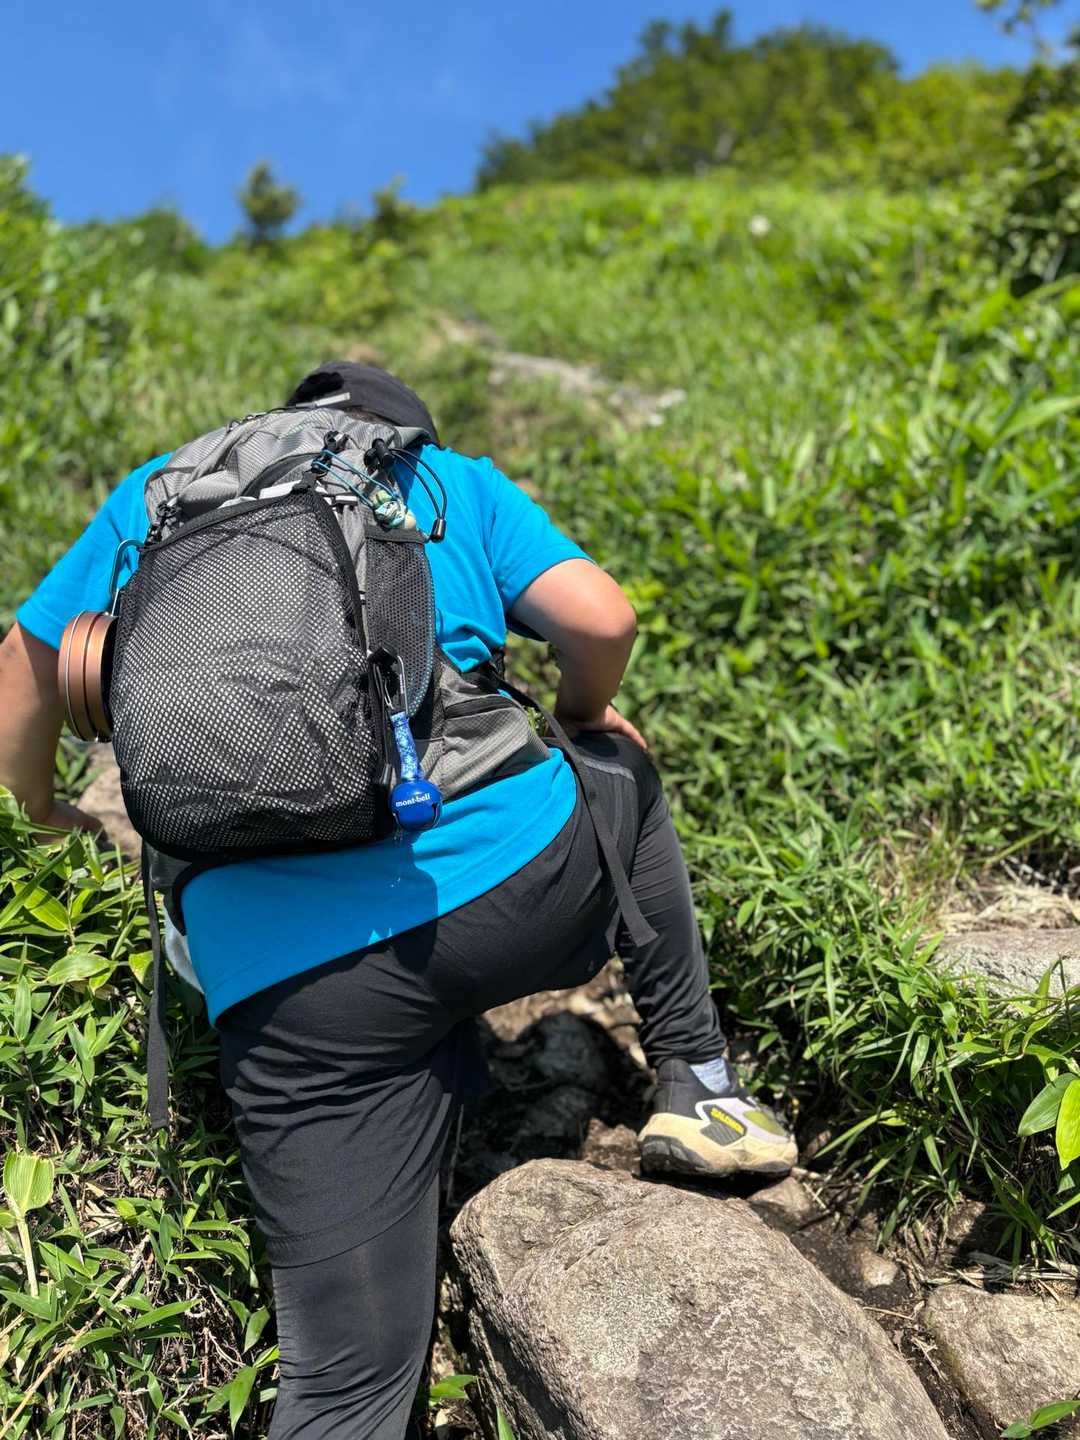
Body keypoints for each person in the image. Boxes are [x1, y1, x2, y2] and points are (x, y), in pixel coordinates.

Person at [0, 362, 795, 1440]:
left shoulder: (158, 494)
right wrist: (581, 713)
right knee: (617, 770)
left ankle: (416, 1085)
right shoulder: (444, 479)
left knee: (343, 1388)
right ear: (396, 429)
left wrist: (45, 814)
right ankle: (699, 1085)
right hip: (513, 898)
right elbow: (602, 618)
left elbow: (24, 671)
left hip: (294, 990)